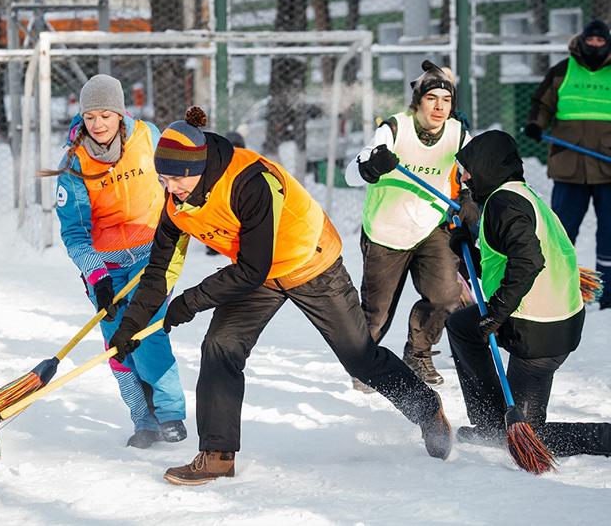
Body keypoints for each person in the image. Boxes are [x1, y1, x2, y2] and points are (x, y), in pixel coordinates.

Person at [108, 106, 452, 486]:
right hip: (257, 273)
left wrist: (189, 303)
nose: (170, 188)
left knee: (360, 358)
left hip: (310, 262)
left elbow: (252, 268)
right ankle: (217, 455)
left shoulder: (249, 181)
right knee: (221, 345)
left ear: (198, 168)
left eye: (176, 179)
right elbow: (158, 271)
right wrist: (130, 327)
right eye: (163, 179)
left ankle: (427, 409)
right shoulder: (176, 203)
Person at [446, 130, 611, 457]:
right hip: (551, 319)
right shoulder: (518, 194)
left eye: (467, 170)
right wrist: (467, 251)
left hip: (538, 332)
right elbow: (502, 265)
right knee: (463, 327)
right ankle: (491, 424)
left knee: (527, 435)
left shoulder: (503, 204)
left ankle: (605, 439)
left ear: (486, 166)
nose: (463, 178)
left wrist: (496, 313)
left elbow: (528, 261)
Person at [48, 74, 186, 448]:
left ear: (121, 113)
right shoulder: (74, 163)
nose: (98, 125)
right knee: (117, 346)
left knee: (147, 330)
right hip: (105, 266)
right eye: (90, 117)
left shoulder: (148, 137)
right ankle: (143, 420)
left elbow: (176, 185)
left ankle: (170, 412)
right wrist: (97, 275)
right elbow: (74, 233)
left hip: (152, 254)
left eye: (106, 115)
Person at [344, 60, 477, 390]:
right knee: (377, 312)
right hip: (386, 231)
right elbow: (351, 175)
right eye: (432, 99)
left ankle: (418, 353)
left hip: (431, 228)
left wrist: (470, 199)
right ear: (418, 101)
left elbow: (477, 174)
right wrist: (371, 165)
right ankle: (364, 364)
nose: (439, 107)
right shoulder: (394, 129)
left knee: (445, 297)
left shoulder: (458, 134)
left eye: (446, 100)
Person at [524, 19, 611, 309]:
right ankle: (559, 287)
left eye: (600, 41)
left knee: (610, 233)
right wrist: (536, 124)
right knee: (561, 230)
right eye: (591, 40)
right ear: (582, 40)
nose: (595, 45)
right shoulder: (562, 70)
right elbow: (542, 103)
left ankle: (609, 293)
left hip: (608, 168)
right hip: (568, 164)